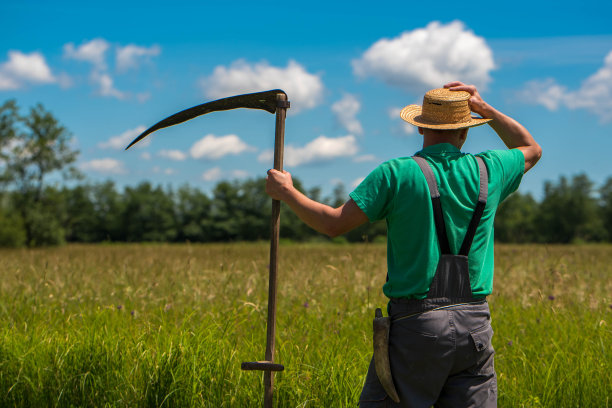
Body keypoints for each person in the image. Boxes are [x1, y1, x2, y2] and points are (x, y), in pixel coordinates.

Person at [265, 81, 542, 408]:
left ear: (421, 127)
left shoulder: (396, 174)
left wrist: (287, 193)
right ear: (464, 132)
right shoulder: (490, 169)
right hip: (475, 326)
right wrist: (485, 109)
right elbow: (531, 149)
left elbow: (332, 223)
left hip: (417, 326)